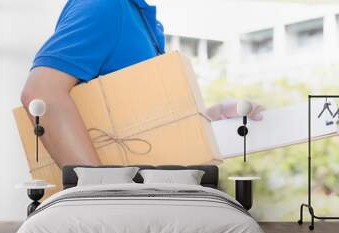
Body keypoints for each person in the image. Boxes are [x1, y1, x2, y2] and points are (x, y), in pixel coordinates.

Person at [21, 0, 263, 168]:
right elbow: (41, 94)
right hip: (121, 206)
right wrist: (97, 195)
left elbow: (142, 124)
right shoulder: (105, 6)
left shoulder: (140, 18)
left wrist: (213, 115)